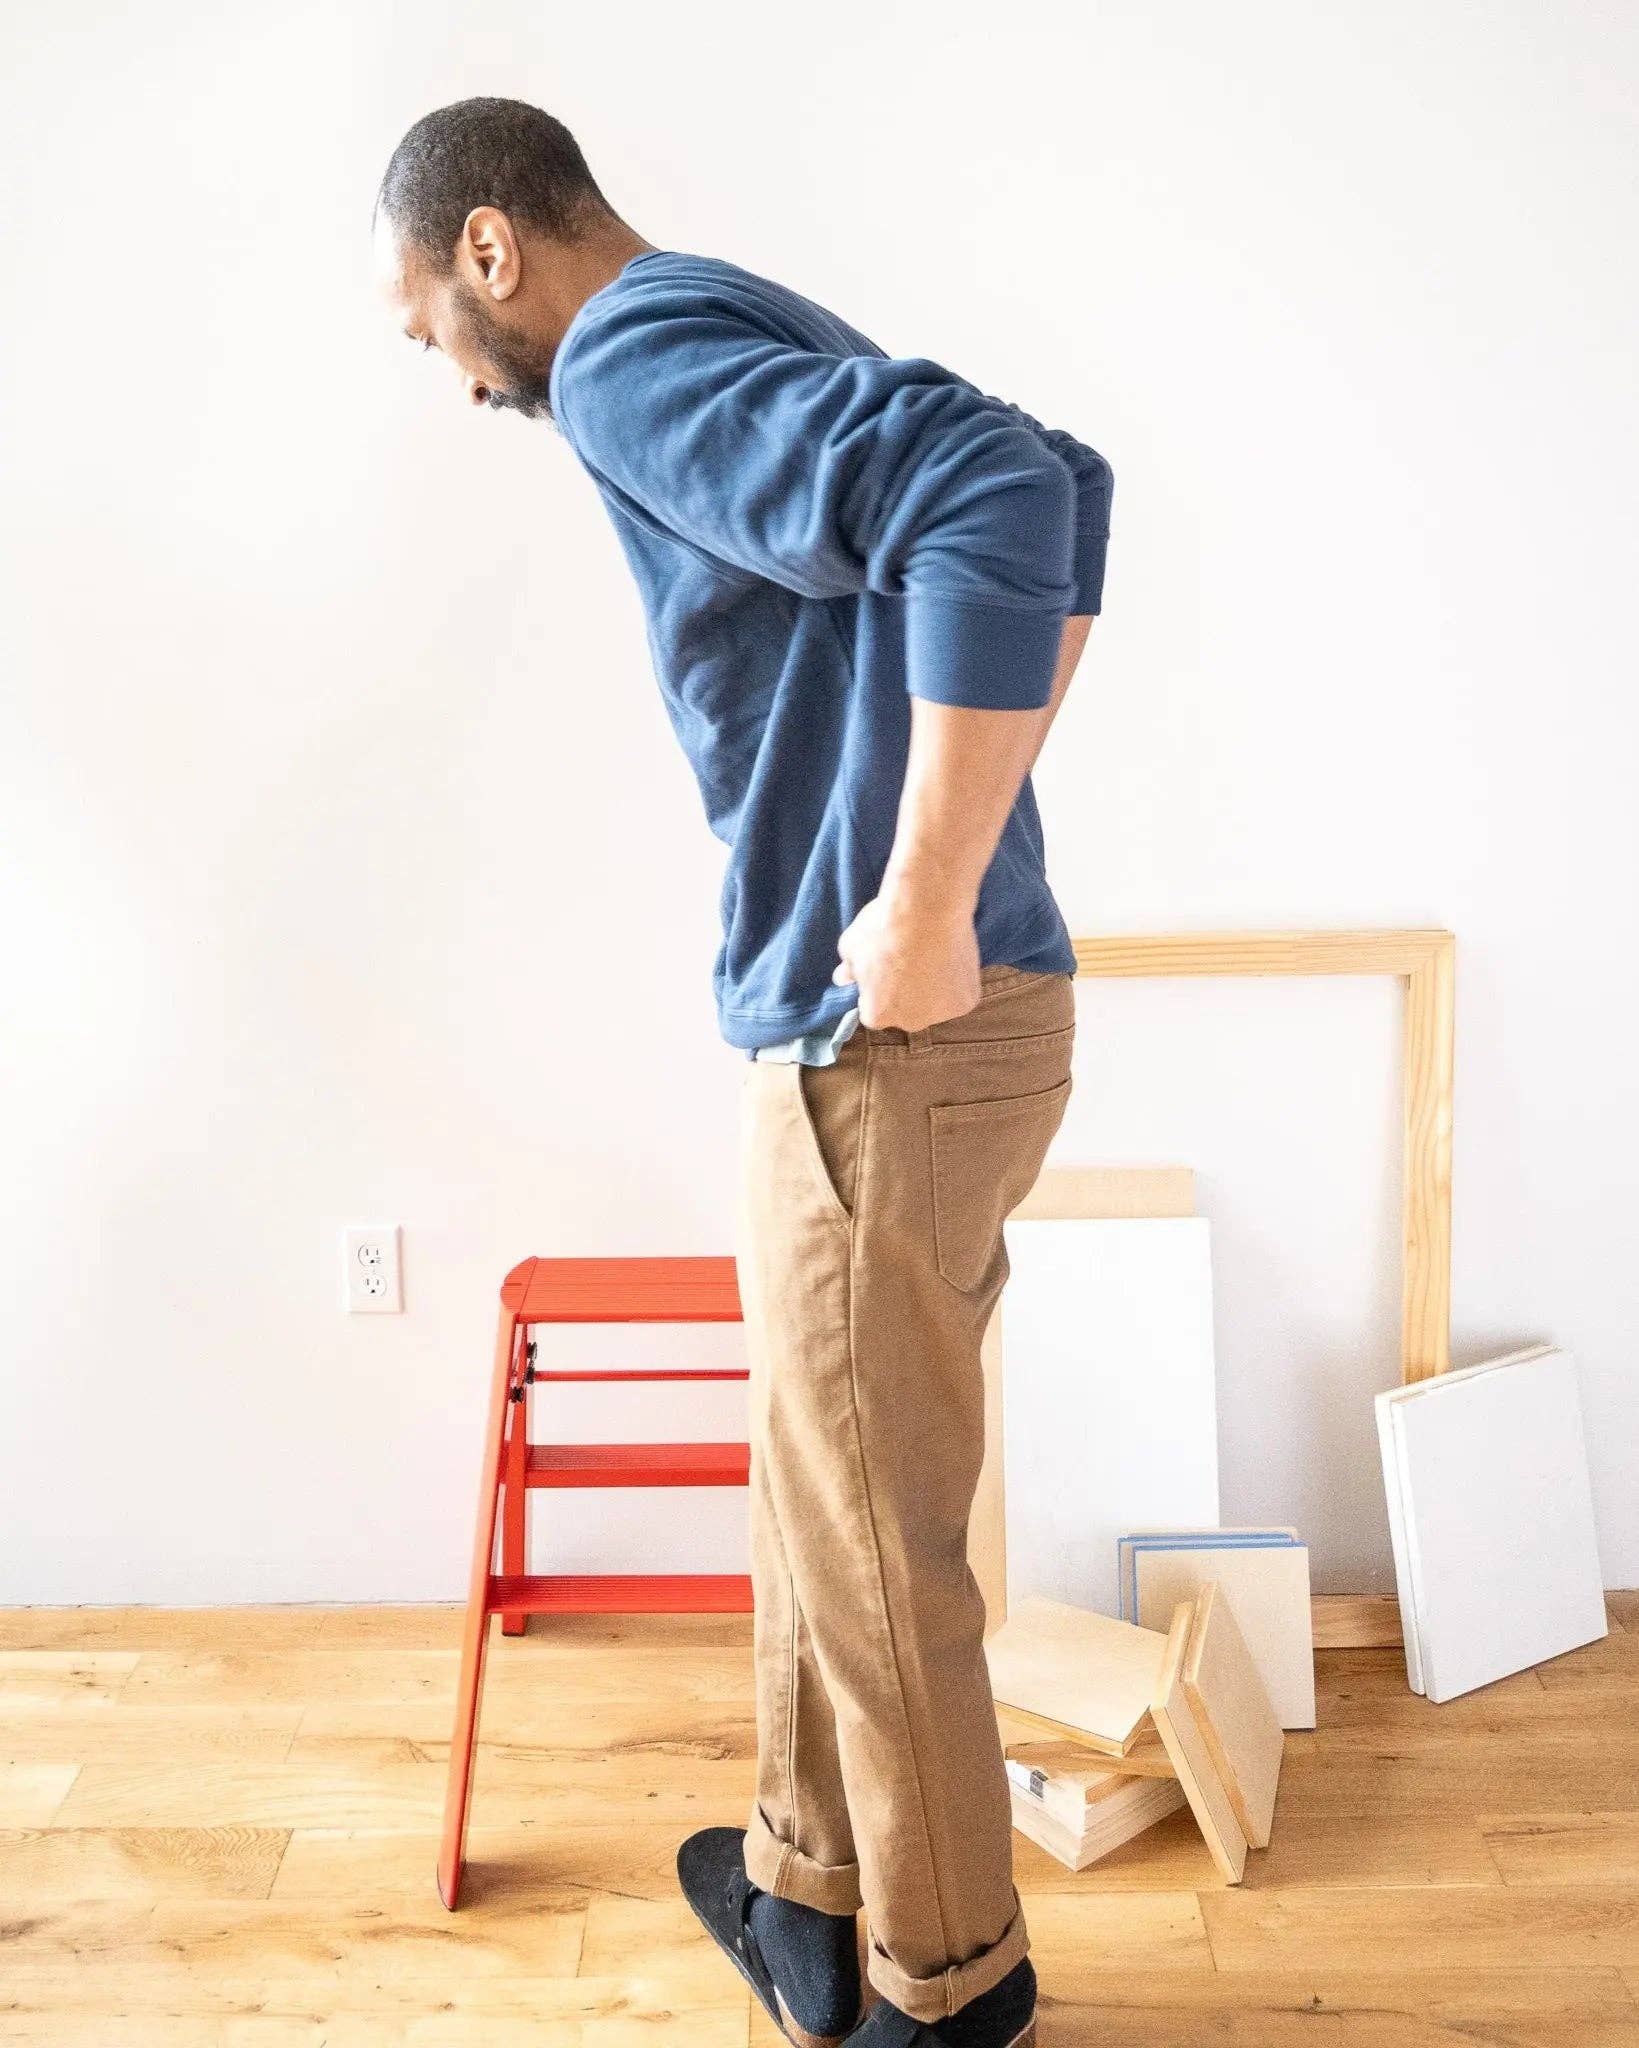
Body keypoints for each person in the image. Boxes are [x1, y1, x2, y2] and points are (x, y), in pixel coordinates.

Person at [373, 96, 1112, 2048]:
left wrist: (928, 890)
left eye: (430, 326)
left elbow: (998, 487)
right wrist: (949, 851)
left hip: (888, 1045)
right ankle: (805, 1886)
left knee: (872, 1544)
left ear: (487, 250)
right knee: (820, 1483)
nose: (457, 378)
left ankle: (949, 1990)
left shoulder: (624, 357)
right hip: (890, 1029)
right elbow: (1068, 480)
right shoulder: (713, 308)